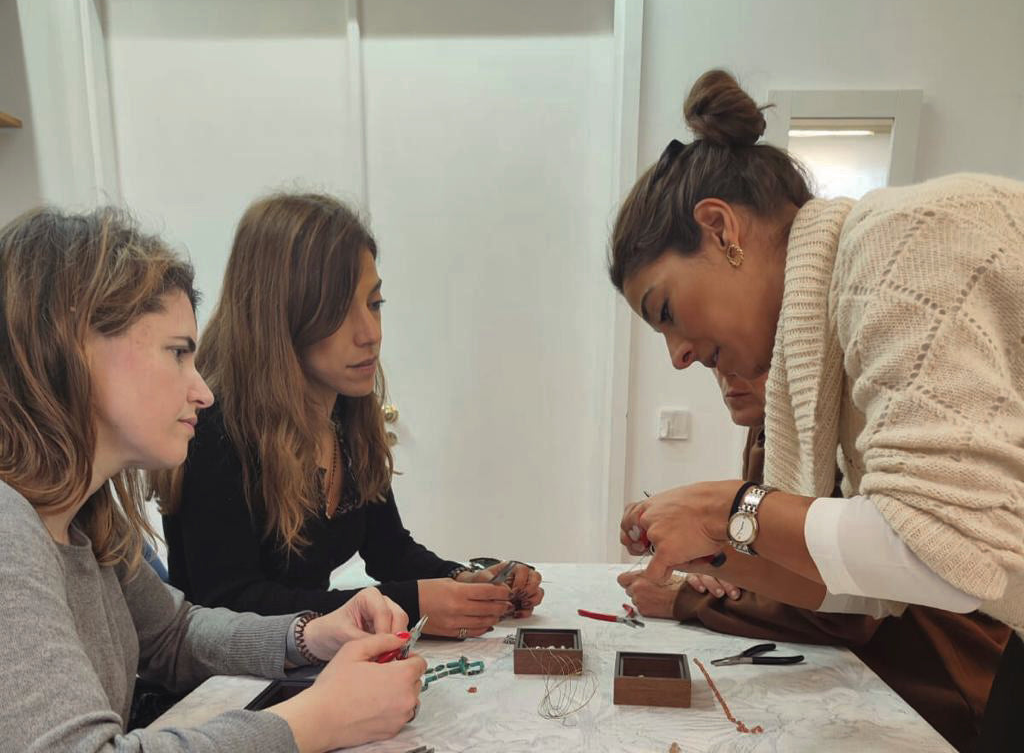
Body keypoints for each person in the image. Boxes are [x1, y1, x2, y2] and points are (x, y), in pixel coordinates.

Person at [610, 68, 1024, 749]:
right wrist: (719, 549)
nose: (678, 356)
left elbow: (950, 553)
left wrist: (727, 510)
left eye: (666, 311)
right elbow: (864, 590)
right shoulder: (834, 342)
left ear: (719, 229)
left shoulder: (903, 242)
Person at [0, 207, 426, 752]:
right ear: (69, 349)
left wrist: (309, 633)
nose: (202, 391)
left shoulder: (88, 513)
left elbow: (174, 635)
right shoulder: (10, 533)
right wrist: (314, 720)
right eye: (177, 353)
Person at [153, 193, 543, 640]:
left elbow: (390, 551)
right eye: (340, 311)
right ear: (281, 314)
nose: (370, 334)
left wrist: (467, 580)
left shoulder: (346, 412)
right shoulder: (214, 430)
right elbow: (231, 603)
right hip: (226, 686)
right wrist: (412, 602)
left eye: (374, 304)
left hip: (309, 668)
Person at [619, 368, 1009, 751]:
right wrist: (712, 557)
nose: (682, 357)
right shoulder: (768, 430)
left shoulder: (847, 422)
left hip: (937, 697)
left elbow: (858, 603)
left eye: (671, 315)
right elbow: (827, 584)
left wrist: (698, 582)